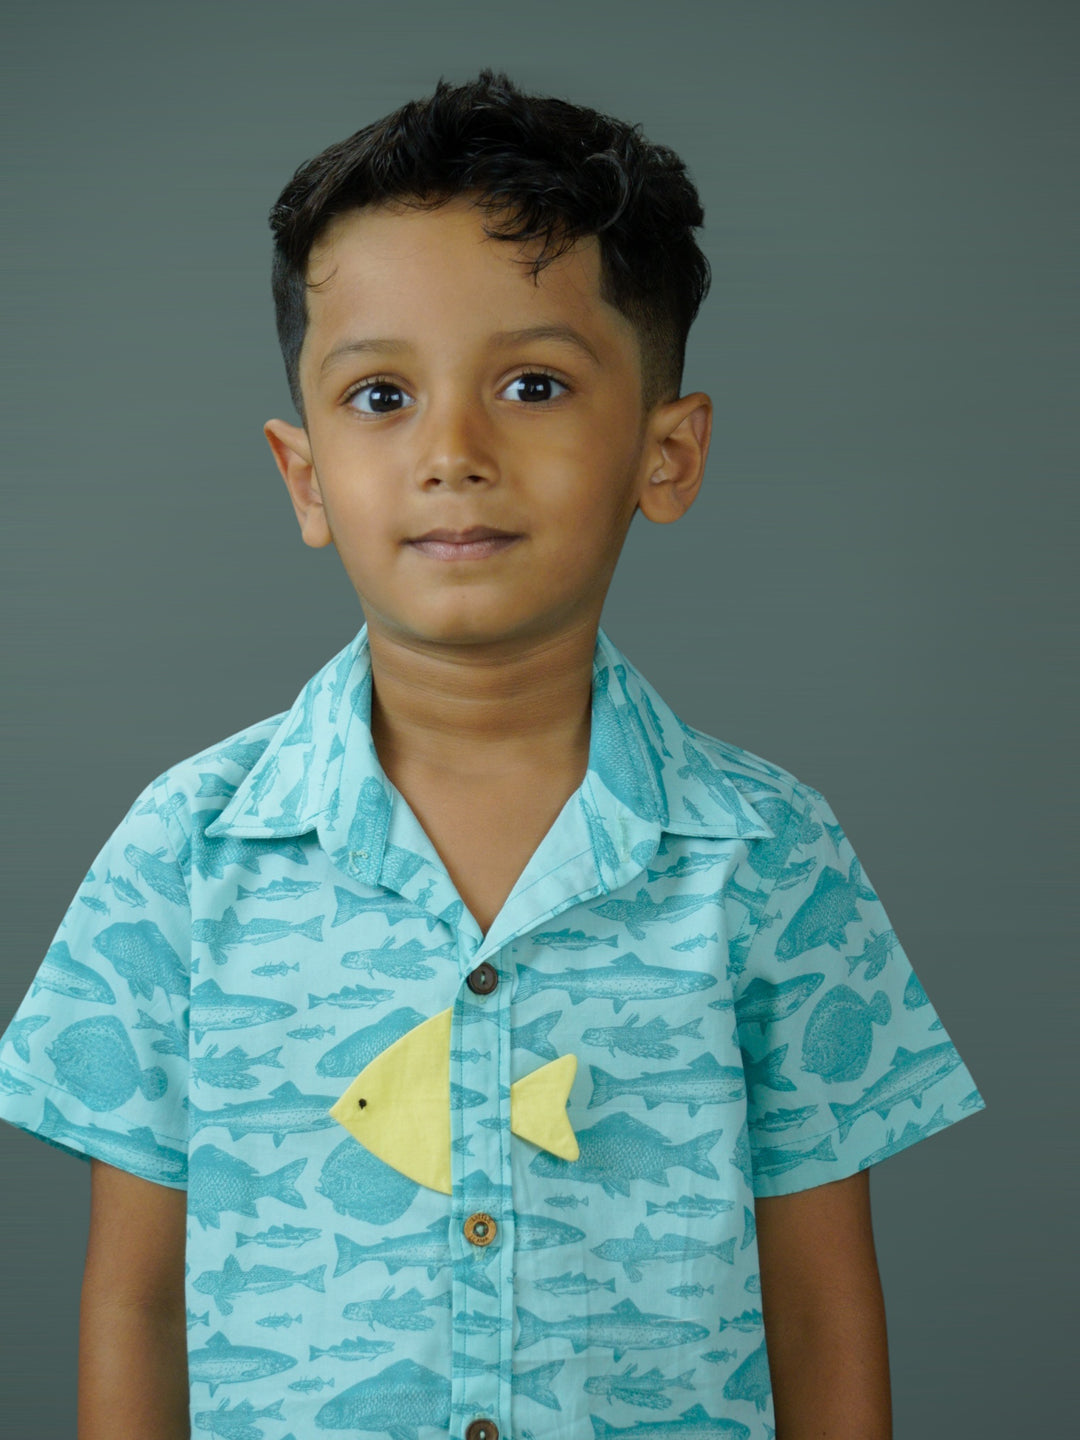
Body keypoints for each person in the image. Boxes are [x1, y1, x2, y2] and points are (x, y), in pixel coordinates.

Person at [0, 68, 985, 1440]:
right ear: (302, 475)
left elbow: (820, 1313)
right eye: (382, 395)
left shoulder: (769, 855)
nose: (453, 451)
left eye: (531, 383)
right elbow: (136, 1305)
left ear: (668, 451)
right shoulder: (185, 849)